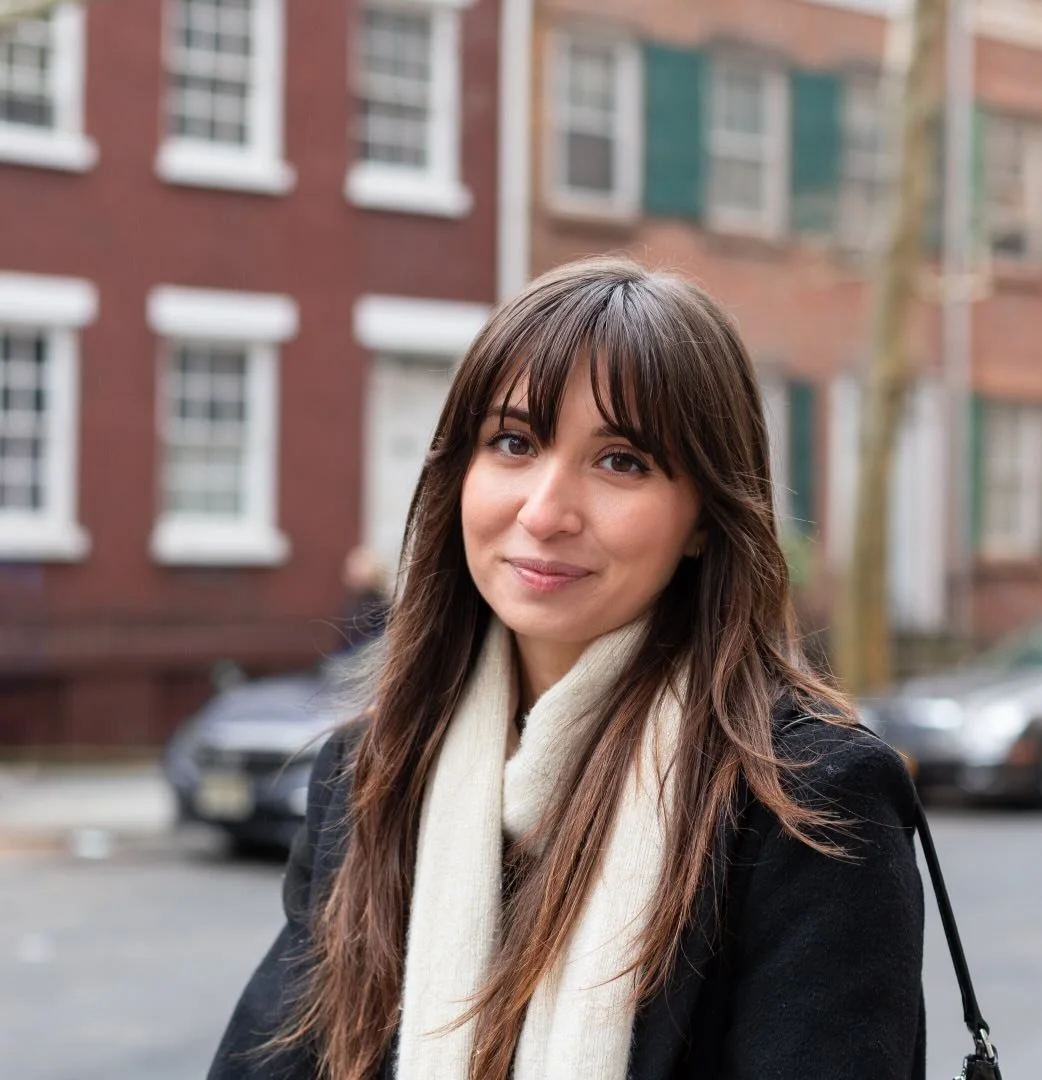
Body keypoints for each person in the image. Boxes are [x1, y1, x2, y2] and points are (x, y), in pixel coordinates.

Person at [208, 257, 924, 1080]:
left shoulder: (806, 803)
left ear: (704, 517)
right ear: (458, 474)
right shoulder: (374, 771)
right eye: (513, 443)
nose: (544, 512)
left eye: (621, 460)